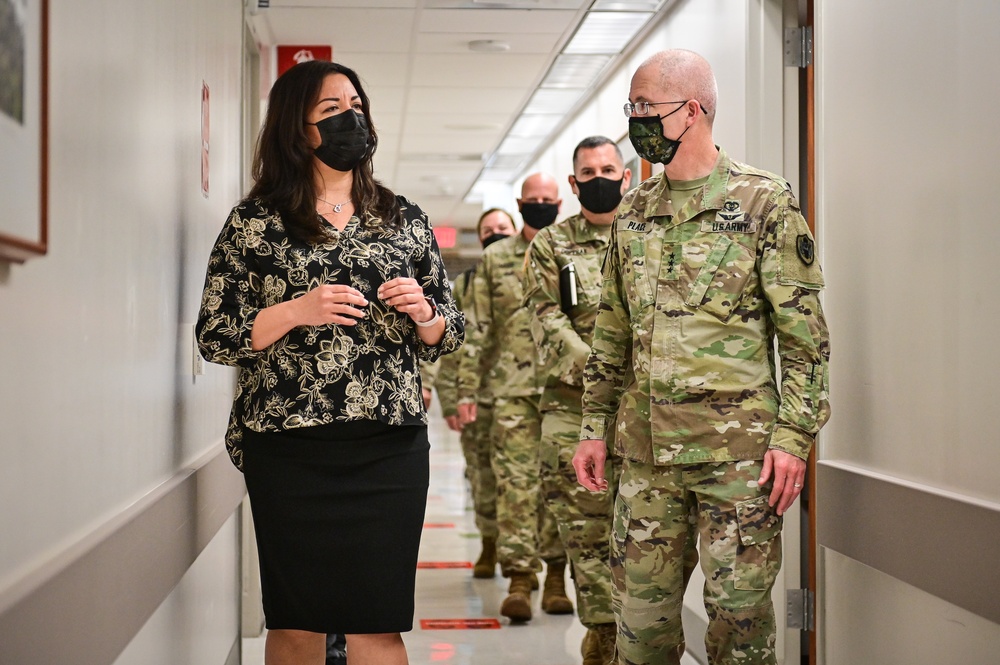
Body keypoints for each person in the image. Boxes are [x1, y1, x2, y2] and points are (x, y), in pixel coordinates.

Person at [196, 60, 463, 665]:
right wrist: (294, 311)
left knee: (377, 626)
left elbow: (449, 331)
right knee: (297, 626)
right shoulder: (255, 223)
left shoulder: (404, 217)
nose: (351, 119)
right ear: (297, 128)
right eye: (330, 111)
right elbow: (215, 335)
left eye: (356, 105)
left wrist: (424, 311)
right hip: (289, 450)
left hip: (388, 448)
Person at [573, 49, 831, 665]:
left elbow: (805, 336)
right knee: (640, 631)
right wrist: (592, 428)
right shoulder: (632, 213)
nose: (635, 119)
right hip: (645, 458)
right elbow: (611, 332)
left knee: (739, 627)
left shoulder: (763, 201)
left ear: (691, 111)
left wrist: (793, 436)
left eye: (644, 108)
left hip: (738, 461)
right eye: (630, 107)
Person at [521, 136, 631, 664]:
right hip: (573, 410)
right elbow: (547, 320)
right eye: (589, 171)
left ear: (626, 175)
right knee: (588, 533)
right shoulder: (550, 246)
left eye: (609, 168)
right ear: (574, 183)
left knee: (652, 535)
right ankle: (603, 637)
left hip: (648, 413)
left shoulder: (650, 236)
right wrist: (605, 372)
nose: (600, 177)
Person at [456, 173, 572, 622]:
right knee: (515, 487)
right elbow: (477, 327)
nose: (540, 205)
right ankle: (520, 578)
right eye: (533, 199)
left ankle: (558, 575)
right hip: (510, 391)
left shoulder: (572, 252)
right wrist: (467, 388)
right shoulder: (497, 259)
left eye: (548, 199)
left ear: (559, 203)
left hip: (565, 390)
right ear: (521, 203)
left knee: (559, 488)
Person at [434, 207, 517, 578]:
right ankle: (489, 544)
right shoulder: (464, 286)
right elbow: (451, 347)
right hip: (477, 399)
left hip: (523, 398)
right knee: (483, 478)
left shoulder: (536, 275)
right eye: (488, 230)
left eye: (503, 228)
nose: (496, 233)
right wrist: (450, 398)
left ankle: (527, 564)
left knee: (524, 482)